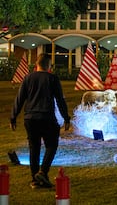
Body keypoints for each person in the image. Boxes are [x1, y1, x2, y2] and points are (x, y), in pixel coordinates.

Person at [10, 53, 71, 189]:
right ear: (49, 66)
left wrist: (13, 117)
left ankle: (35, 180)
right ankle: (42, 172)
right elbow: (60, 100)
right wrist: (66, 117)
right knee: (52, 145)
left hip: (30, 118)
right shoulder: (52, 79)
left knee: (34, 148)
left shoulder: (27, 78)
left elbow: (19, 99)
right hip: (47, 117)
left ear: (36, 65)